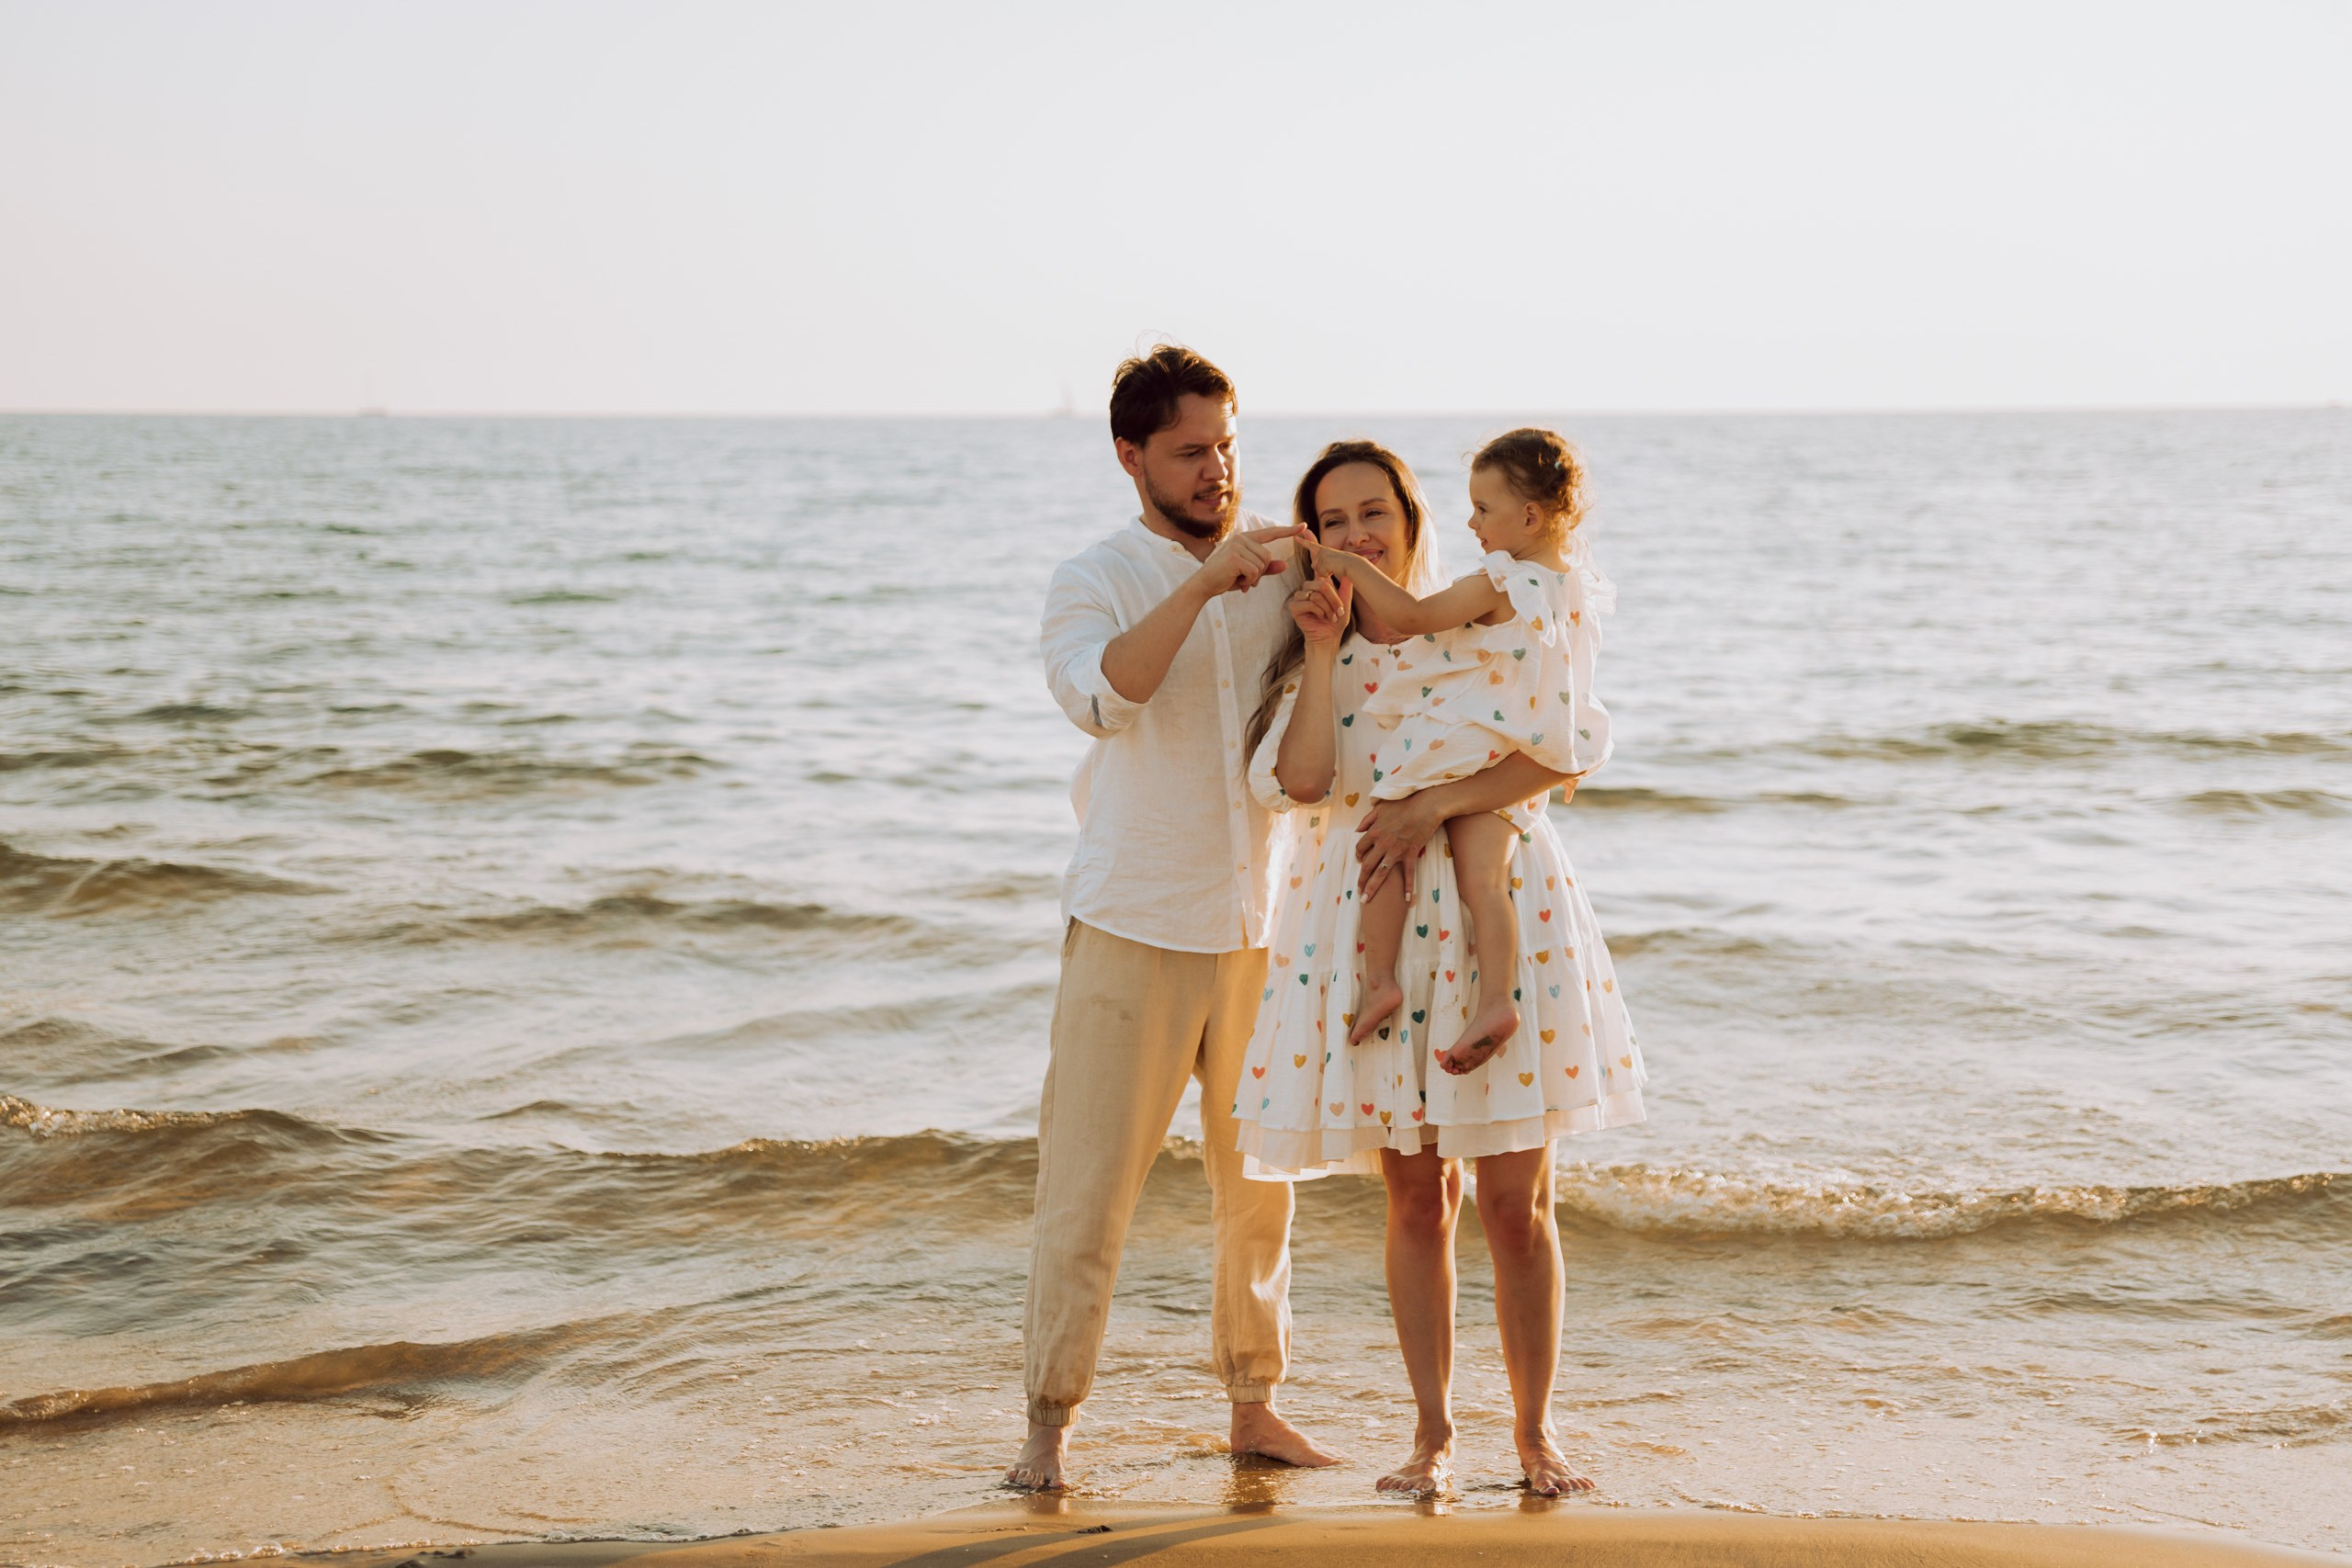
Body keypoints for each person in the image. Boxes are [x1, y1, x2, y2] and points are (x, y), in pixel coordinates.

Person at [1231, 436, 1645, 1496]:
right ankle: (1429, 1436)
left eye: (1374, 512)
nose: (1355, 533)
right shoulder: (1324, 647)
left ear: (1409, 521)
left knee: (1517, 1201)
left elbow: (1568, 745)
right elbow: (1307, 775)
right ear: (1314, 539)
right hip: (1371, 930)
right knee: (1415, 1198)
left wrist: (1432, 804)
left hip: (1494, 909)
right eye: (1332, 522)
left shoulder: (1482, 613)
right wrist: (1321, 655)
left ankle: (1535, 1434)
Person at [1009, 344, 1342, 1492]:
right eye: (1192, 453)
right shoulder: (1091, 577)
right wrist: (1203, 586)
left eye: (1229, 447)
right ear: (1130, 456)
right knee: (1088, 1194)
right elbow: (1103, 696)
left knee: (1261, 1195)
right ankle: (1047, 1430)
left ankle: (1254, 1407)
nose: (1218, 471)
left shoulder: (1281, 567)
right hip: (1133, 920)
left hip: (1258, 921)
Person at [1323, 430, 1613, 1076]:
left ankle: (1379, 979)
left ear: (1529, 517)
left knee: (1385, 825)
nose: (1470, 521)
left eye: (1483, 508)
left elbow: (1410, 618)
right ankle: (1496, 1002)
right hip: (1523, 746)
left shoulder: (1501, 578)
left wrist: (1350, 566)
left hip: (1473, 736)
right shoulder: (1573, 588)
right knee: (1484, 883)